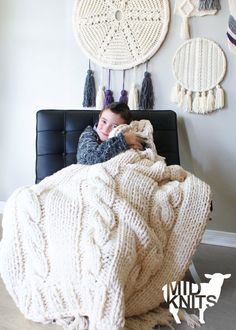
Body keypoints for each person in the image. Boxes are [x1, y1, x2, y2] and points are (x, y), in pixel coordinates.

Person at [76, 102, 145, 165]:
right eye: (104, 121)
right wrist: (124, 140)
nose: (106, 129)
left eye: (115, 126)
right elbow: (89, 160)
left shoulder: (129, 134)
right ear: (99, 117)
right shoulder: (88, 134)